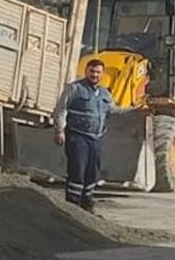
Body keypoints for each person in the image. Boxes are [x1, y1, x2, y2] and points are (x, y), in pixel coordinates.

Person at [51, 59, 141, 213]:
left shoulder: (105, 93)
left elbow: (114, 110)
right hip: (77, 137)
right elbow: (60, 109)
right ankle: (72, 205)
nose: (94, 75)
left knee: (92, 172)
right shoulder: (75, 88)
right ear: (86, 71)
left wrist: (136, 110)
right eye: (92, 71)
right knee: (77, 171)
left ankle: (87, 203)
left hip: (96, 138)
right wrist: (59, 130)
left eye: (98, 72)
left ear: (102, 74)